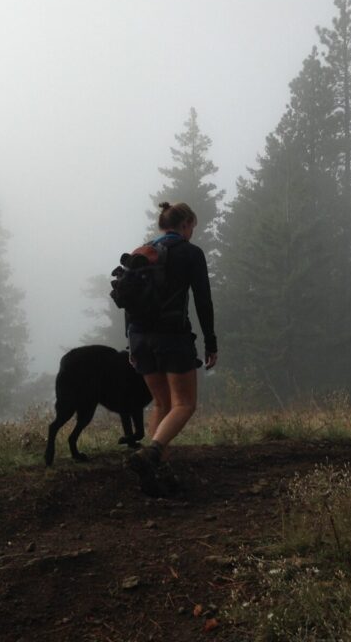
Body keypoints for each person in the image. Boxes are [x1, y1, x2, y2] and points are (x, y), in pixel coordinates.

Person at [126, 201, 217, 496]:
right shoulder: (191, 253)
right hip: (172, 338)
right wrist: (210, 341)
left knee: (162, 405)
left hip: (140, 339)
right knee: (184, 404)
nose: (193, 233)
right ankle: (151, 454)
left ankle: (157, 474)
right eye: (193, 227)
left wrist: (131, 342)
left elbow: (128, 301)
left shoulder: (141, 253)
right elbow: (203, 300)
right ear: (186, 224)